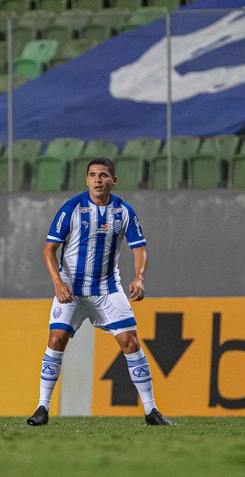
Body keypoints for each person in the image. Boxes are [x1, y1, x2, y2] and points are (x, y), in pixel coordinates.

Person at [27, 157, 173, 427]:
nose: (97, 180)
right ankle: (42, 408)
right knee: (56, 339)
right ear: (86, 180)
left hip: (107, 289)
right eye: (93, 175)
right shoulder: (71, 208)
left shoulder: (124, 211)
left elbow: (139, 248)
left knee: (130, 342)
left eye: (103, 175)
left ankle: (152, 411)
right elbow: (49, 248)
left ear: (113, 180)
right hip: (72, 289)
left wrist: (139, 279)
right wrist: (58, 283)